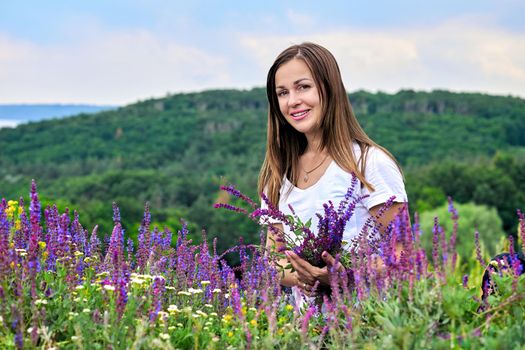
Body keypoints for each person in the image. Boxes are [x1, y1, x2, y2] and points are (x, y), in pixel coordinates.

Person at [257, 42, 408, 302]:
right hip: (307, 335)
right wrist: (308, 275)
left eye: (303, 87)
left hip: (369, 332)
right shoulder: (279, 174)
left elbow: (403, 254)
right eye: (282, 93)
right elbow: (274, 260)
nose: (293, 101)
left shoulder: (368, 163)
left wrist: (347, 275)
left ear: (329, 88)